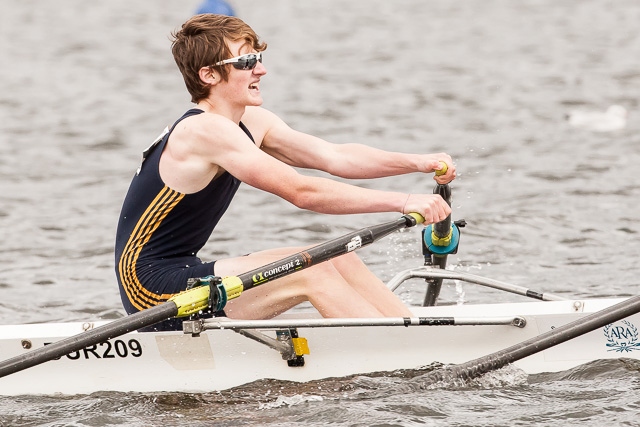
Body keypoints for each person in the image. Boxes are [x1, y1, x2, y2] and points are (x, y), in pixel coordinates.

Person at [114, 14, 456, 331]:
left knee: (340, 257)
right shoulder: (203, 131)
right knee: (314, 269)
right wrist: (405, 201)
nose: (260, 70)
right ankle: (394, 356)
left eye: (258, 58)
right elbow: (302, 192)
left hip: (185, 270)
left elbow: (335, 157)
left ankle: (411, 336)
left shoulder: (249, 122)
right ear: (209, 75)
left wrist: (416, 162)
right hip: (150, 291)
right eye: (246, 61)